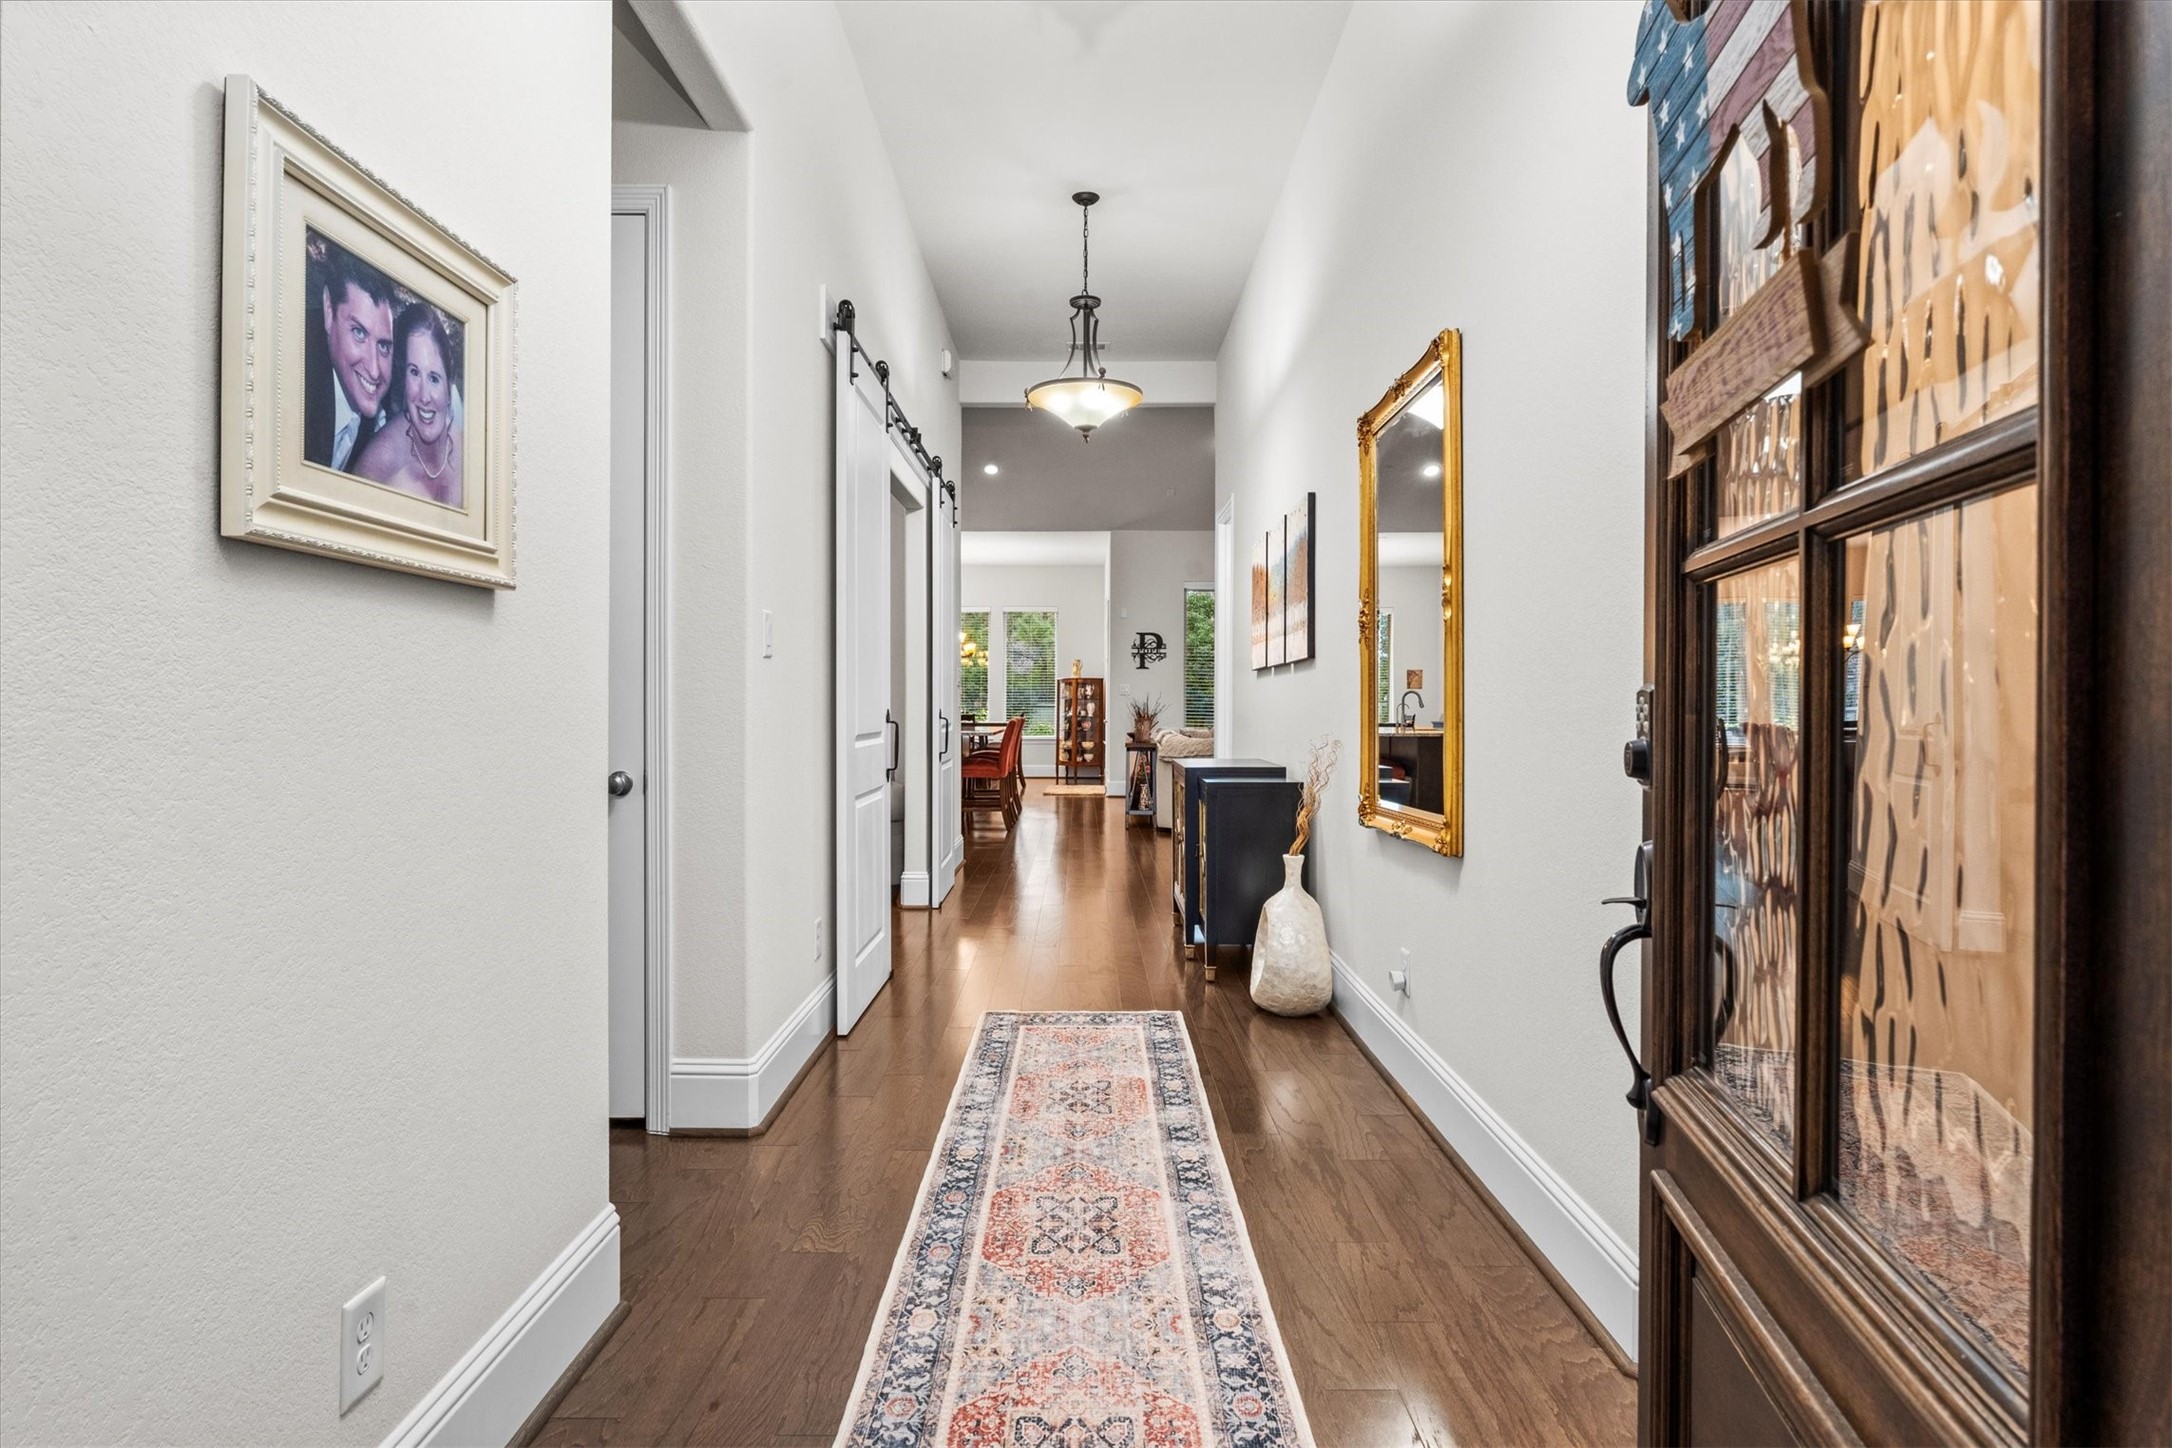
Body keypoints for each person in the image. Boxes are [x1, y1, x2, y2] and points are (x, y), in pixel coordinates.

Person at [353, 302, 464, 507]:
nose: (424, 396)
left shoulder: (468, 453)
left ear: (449, 385)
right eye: (414, 373)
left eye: (434, 378)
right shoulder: (378, 463)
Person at [303, 245, 395, 472]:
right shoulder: (297, 379)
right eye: (359, 333)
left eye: (383, 346)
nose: (374, 370)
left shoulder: (383, 417)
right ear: (328, 311)